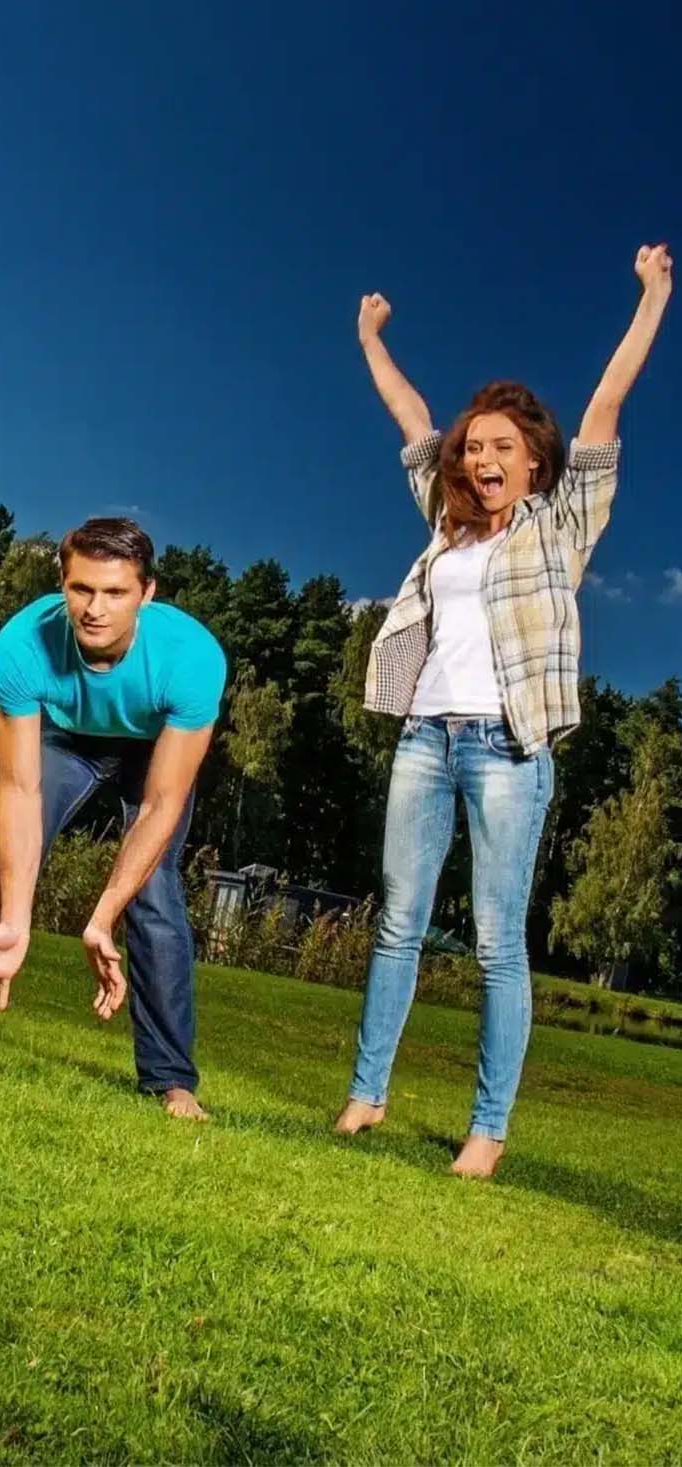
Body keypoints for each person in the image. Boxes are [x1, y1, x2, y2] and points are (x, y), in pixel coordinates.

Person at [335, 245, 672, 1177]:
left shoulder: (560, 525)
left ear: (533, 463)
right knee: (398, 921)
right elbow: (407, 416)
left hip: (508, 748)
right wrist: (371, 337)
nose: (481, 458)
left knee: (494, 940)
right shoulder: (443, 526)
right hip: (424, 739)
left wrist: (650, 299)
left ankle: (487, 1129)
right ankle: (365, 1096)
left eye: (500, 448)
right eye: (471, 447)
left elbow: (605, 408)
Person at [0, 518, 226, 1115]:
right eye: (81, 589)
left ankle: (172, 1080)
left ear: (147, 594)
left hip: (150, 750)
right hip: (65, 739)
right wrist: (17, 921)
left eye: (115, 593)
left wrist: (102, 917)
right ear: (61, 584)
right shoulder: (21, 644)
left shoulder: (193, 658)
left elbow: (161, 803)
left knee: (155, 890)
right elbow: (17, 787)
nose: (95, 608)